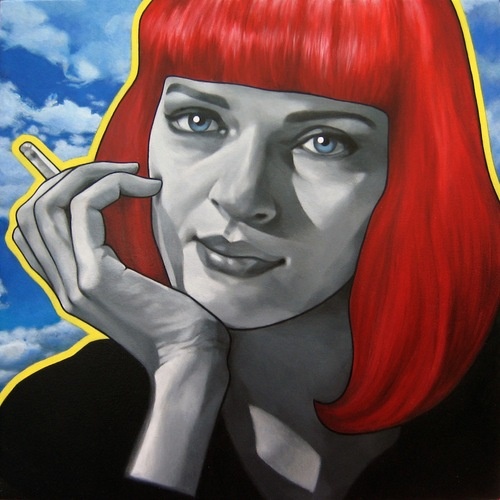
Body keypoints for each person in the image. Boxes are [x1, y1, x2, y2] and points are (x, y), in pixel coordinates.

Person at [1, 0, 499, 498]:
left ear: (416, 172)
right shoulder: (55, 417)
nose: (241, 198)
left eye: (324, 142)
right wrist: (186, 366)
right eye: (198, 120)